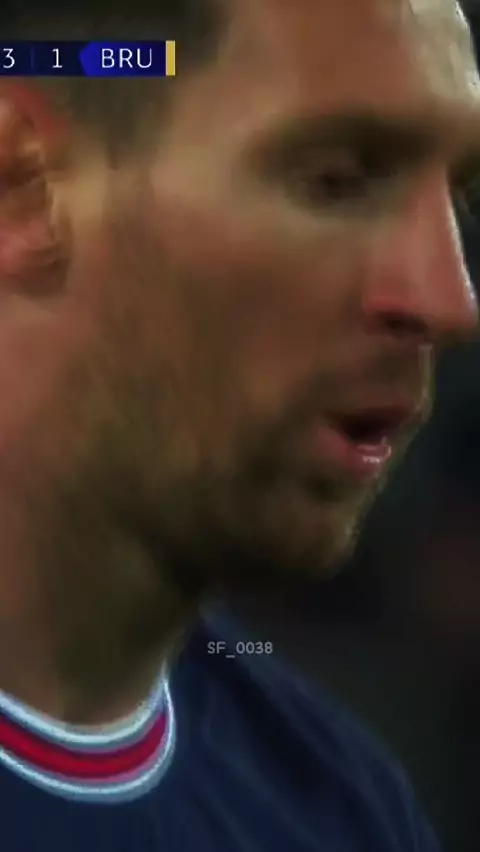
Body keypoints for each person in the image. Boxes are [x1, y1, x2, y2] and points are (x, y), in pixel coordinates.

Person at [0, 0, 477, 848]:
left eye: (464, 199)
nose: (449, 302)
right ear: (23, 184)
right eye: (339, 181)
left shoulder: (348, 814)